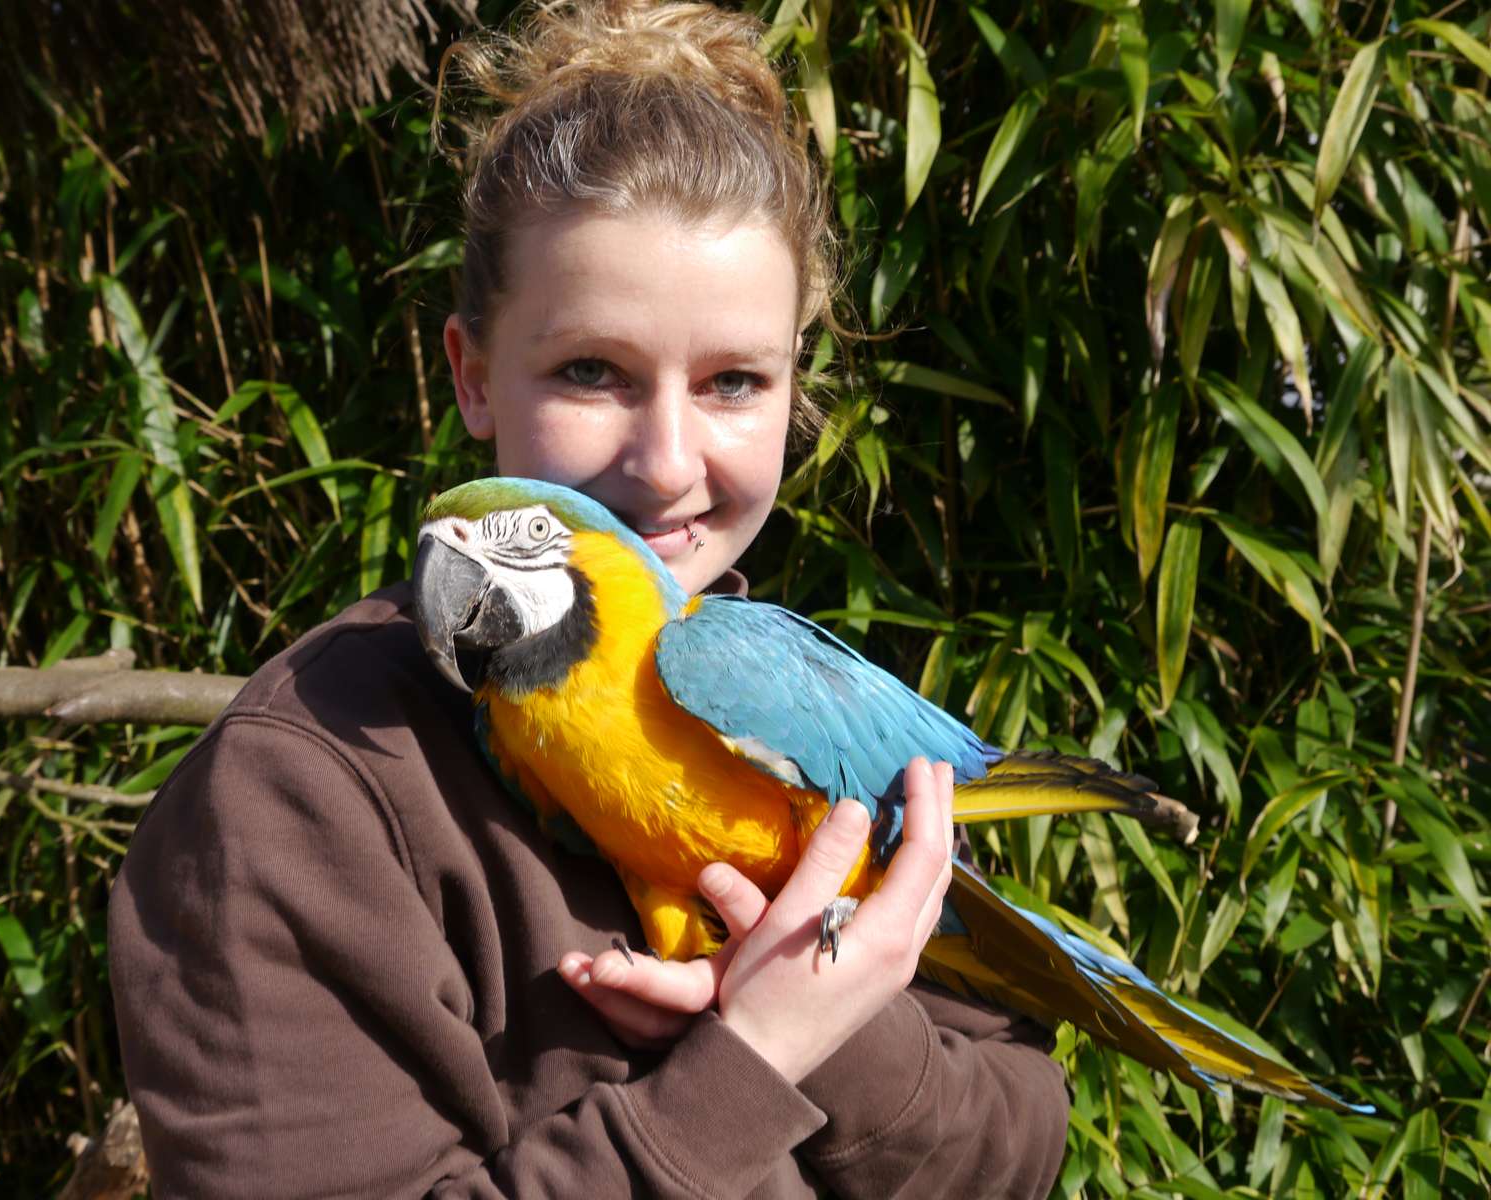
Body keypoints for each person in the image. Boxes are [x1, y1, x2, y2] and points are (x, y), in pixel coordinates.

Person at [107, 1, 1070, 1195]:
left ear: (794, 393)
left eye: (732, 381)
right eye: (589, 371)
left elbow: (1017, 1142)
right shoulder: (300, 795)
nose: (668, 462)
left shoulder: (776, 692)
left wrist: (830, 1015)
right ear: (468, 374)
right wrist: (746, 1063)